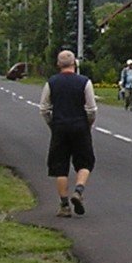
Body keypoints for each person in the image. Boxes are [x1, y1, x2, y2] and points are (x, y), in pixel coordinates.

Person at [40, 48, 98, 217]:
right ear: (75, 64)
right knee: (85, 162)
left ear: (58, 64)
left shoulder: (51, 83)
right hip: (80, 125)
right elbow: (92, 109)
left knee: (60, 166)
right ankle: (78, 190)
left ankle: (64, 205)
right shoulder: (85, 82)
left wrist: (52, 124)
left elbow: (44, 109)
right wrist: (88, 123)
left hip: (59, 126)